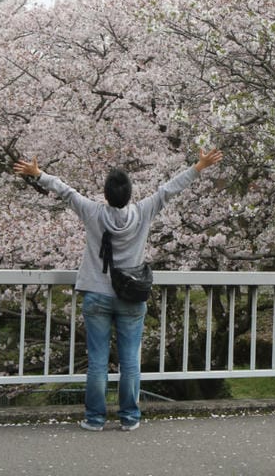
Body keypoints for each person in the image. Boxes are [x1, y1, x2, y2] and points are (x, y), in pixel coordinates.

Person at [12, 148, 224, 432]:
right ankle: (129, 418)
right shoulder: (143, 211)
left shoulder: (92, 212)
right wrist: (199, 166)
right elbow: (169, 190)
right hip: (131, 297)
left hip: (97, 296)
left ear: (105, 194)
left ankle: (95, 419)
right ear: (130, 194)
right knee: (130, 361)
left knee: (98, 361)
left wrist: (38, 174)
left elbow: (66, 192)